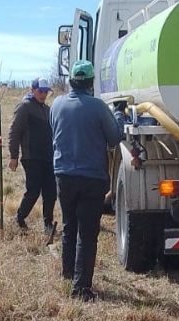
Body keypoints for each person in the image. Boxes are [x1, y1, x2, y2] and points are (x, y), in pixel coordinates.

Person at [50, 60, 125, 301]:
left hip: (63, 175)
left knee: (69, 225)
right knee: (87, 232)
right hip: (91, 177)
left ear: (71, 80)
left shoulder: (57, 104)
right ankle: (81, 288)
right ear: (91, 83)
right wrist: (120, 115)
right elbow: (114, 138)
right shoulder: (97, 107)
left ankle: (68, 273)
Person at [8, 77, 57, 233]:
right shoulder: (24, 107)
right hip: (32, 157)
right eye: (40, 91)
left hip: (48, 157)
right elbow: (14, 132)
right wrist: (13, 156)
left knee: (50, 192)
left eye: (45, 92)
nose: (43, 94)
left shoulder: (48, 110)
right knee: (34, 190)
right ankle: (20, 218)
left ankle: (48, 224)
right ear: (33, 90)